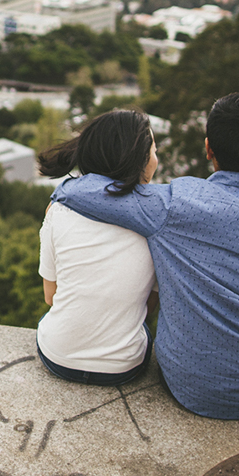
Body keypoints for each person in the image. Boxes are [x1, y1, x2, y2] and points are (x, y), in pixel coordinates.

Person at [50, 92, 239, 419]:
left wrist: (63, 189)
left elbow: (91, 193)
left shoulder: (173, 205)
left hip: (184, 384)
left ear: (208, 148)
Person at [33, 109, 161, 386]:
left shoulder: (59, 207)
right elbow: (148, 307)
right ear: (140, 160)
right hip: (123, 367)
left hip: (57, 357)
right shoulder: (158, 223)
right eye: (153, 151)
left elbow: (50, 297)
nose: (156, 158)